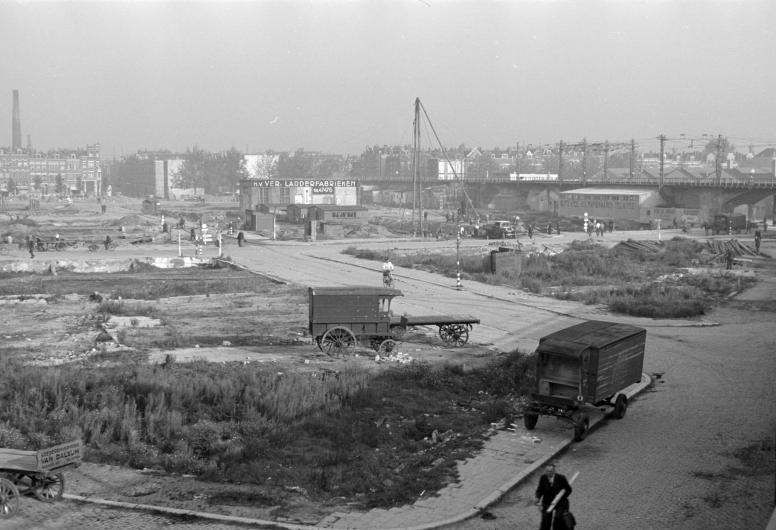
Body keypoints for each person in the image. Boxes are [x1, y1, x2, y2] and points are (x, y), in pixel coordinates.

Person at [535, 463, 573, 530]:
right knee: (545, 520)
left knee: (558, 519)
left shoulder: (561, 478)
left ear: (554, 471)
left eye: (550, 471)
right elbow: (539, 489)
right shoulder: (543, 477)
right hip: (547, 502)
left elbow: (569, 490)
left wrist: (560, 496)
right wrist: (537, 497)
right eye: (547, 471)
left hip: (560, 502)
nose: (548, 473)